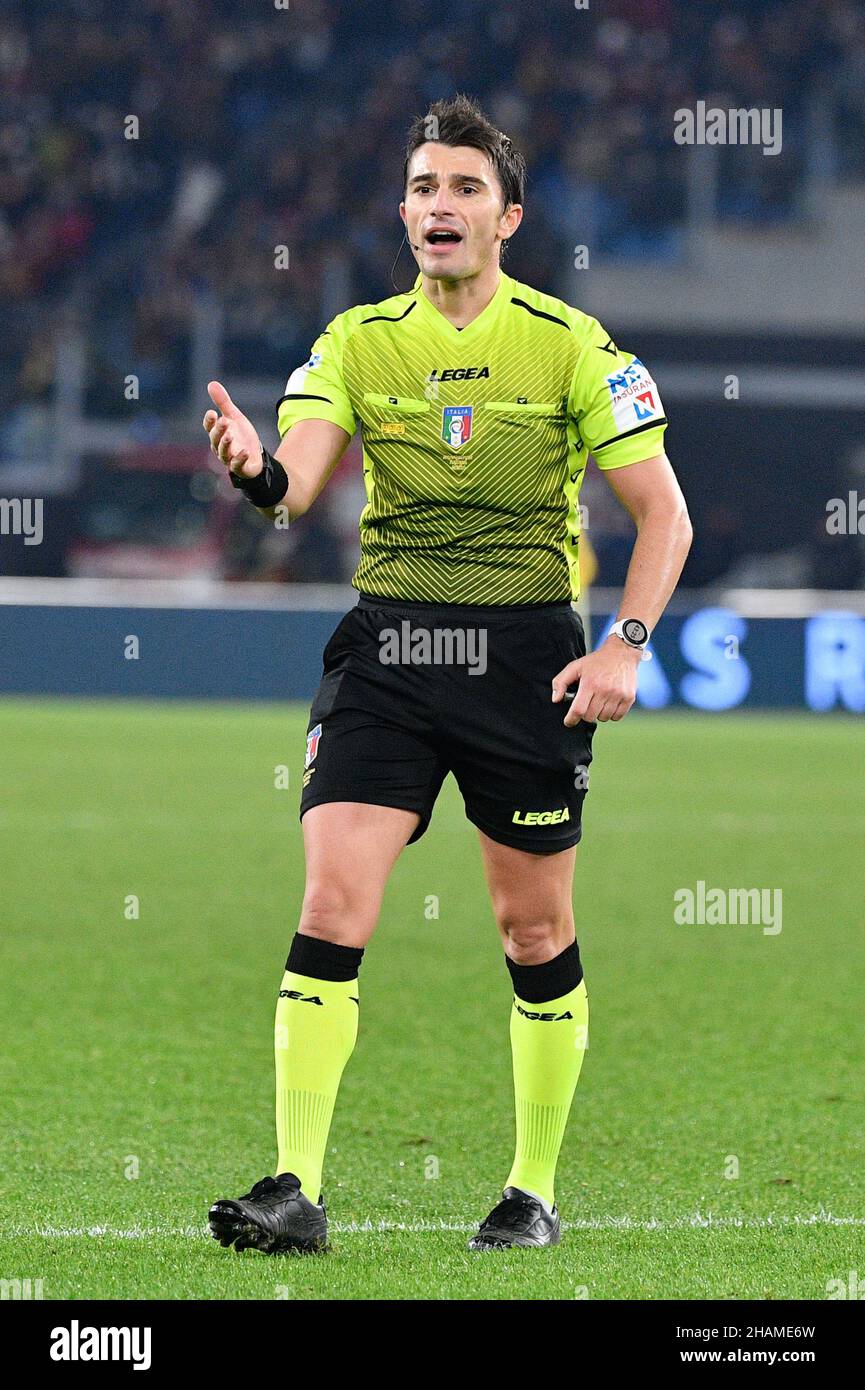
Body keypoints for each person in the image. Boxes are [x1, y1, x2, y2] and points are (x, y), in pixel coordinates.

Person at [203, 96, 692, 1255]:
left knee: (531, 930)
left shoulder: (571, 344)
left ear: (507, 216)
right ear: (404, 211)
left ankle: (530, 1190)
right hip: (390, 652)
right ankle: (293, 1187)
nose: (440, 205)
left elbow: (662, 516)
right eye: (423, 186)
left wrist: (623, 645)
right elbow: (296, 483)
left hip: (523, 655)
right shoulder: (357, 341)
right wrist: (254, 471)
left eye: (465, 187)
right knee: (331, 900)